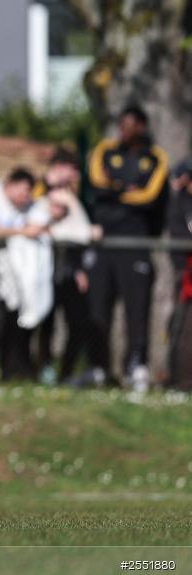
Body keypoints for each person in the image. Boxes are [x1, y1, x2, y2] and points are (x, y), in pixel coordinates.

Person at [85, 105, 169, 391]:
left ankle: (136, 366)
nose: (123, 130)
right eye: (121, 124)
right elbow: (97, 186)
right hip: (105, 241)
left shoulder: (155, 157)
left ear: (141, 127)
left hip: (136, 243)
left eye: (129, 125)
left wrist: (116, 191)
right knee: (98, 307)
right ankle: (98, 367)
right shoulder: (105, 150)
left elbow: (150, 197)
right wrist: (125, 190)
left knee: (137, 309)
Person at [0, 167, 51, 381]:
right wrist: (21, 231)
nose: (25, 196)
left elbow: (40, 224)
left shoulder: (30, 206)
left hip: (18, 277)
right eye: (23, 190)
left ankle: (16, 371)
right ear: (9, 184)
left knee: (18, 325)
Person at [34, 147, 95, 385]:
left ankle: (66, 372)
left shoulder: (75, 195)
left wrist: (80, 268)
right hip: (47, 266)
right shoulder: (43, 188)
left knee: (77, 324)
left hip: (70, 267)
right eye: (71, 169)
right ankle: (44, 367)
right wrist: (50, 185)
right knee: (45, 323)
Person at [166, 158, 192, 390]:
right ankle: (182, 381)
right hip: (187, 273)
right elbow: (178, 235)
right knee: (183, 326)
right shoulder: (179, 204)